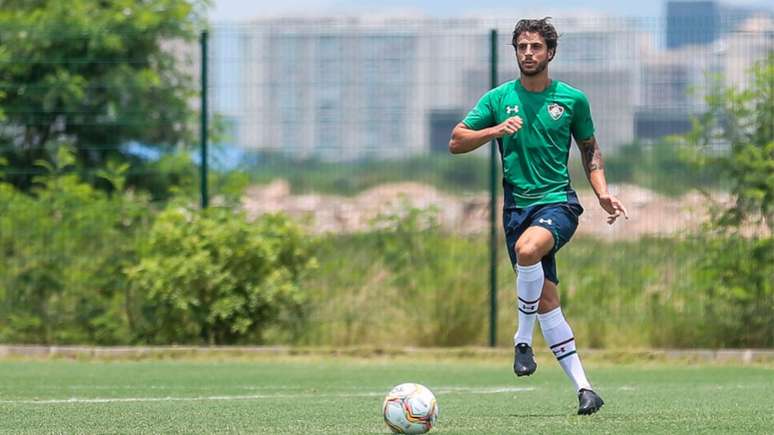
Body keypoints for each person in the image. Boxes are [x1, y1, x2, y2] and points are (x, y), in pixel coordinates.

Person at [449, 17, 628, 415]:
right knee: (546, 298)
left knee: (529, 250)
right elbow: (457, 141)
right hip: (516, 208)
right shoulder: (498, 99)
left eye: (535, 47)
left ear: (550, 52)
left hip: (558, 203)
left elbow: (589, 149)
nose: (528, 53)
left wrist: (602, 194)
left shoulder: (572, 100)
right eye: (522, 47)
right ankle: (585, 389)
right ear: (515, 52)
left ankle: (521, 340)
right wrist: (494, 131)